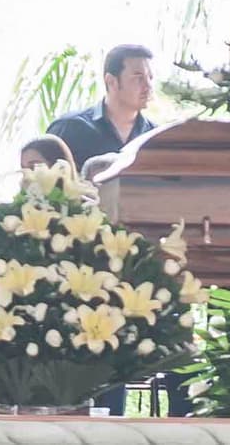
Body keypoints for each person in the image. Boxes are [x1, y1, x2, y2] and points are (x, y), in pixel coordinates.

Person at [46, 44, 187, 417]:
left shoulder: (158, 138)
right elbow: (50, 197)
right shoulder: (71, 130)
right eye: (137, 76)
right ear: (111, 80)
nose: (147, 85)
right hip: (83, 269)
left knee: (178, 333)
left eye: (150, 77)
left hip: (142, 270)